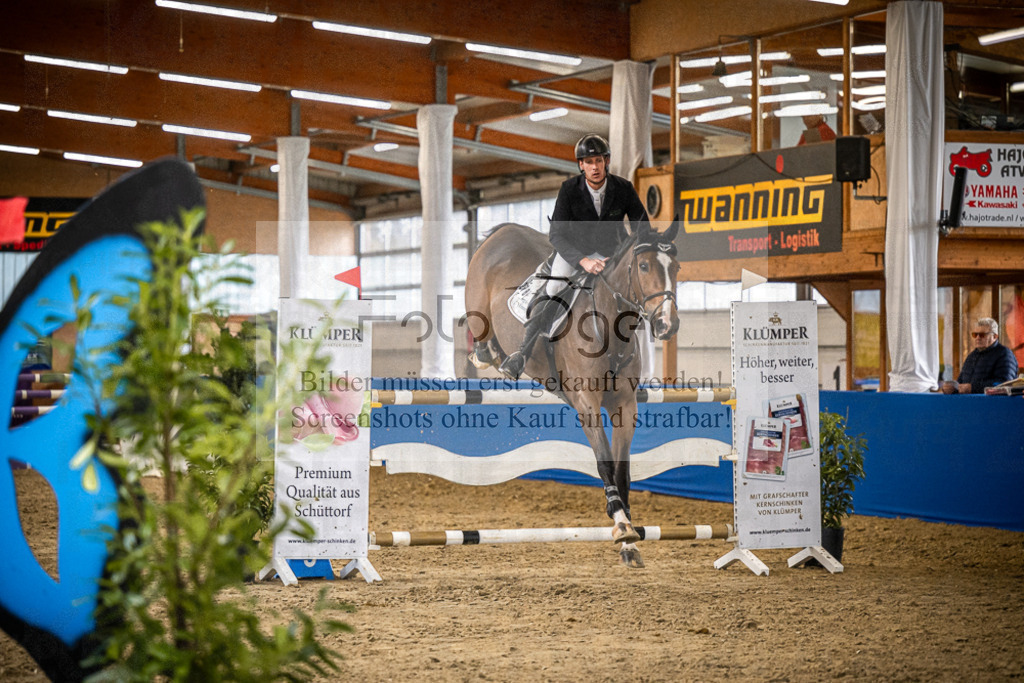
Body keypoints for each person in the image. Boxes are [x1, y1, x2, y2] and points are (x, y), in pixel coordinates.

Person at [499, 134, 651, 379]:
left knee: (635, 290)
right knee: (554, 287)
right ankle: (522, 353)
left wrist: (629, 255)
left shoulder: (623, 188)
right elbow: (556, 235)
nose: (594, 167)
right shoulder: (569, 190)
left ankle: (638, 357)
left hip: (612, 254)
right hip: (574, 254)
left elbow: (642, 227)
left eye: (599, 161)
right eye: (589, 162)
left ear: (606, 162)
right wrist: (584, 261)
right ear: (581, 165)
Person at [940, 317, 1019, 394]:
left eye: (982, 335)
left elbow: (1005, 383)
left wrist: (973, 388)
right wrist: (952, 388)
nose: (977, 338)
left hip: (993, 405)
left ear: (995, 336)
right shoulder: (971, 356)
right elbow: (961, 382)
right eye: (975, 334)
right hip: (970, 404)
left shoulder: (1005, 354)